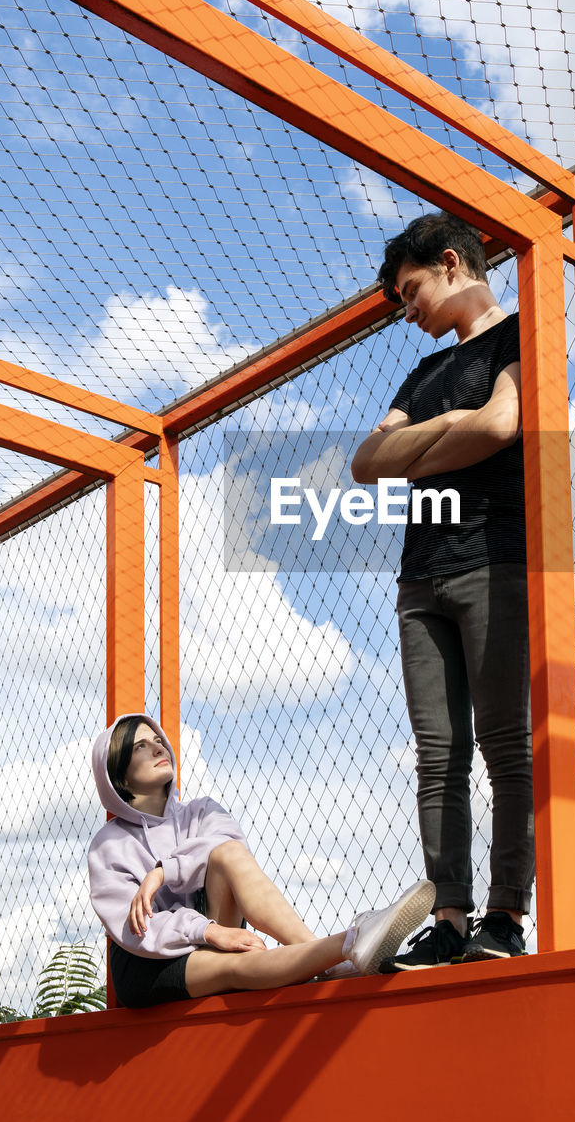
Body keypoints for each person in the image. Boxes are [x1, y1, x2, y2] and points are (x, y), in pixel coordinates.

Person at [351, 211, 533, 970]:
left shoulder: (523, 333)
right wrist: (457, 418)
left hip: (495, 558)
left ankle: (504, 917)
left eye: (409, 289)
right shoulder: (423, 374)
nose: (406, 309)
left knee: (502, 744)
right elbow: (365, 461)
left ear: (451, 264)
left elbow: (501, 427)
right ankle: (450, 918)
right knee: (437, 753)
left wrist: (423, 443)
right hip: (419, 575)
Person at [88, 713, 434, 1006]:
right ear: (118, 775)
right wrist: (206, 931)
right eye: (140, 746)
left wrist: (162, 873)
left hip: (214, 928)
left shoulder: (202, 811)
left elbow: (229, 851)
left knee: (225, 852)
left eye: (157, 739)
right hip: (148, 960)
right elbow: (136, 929)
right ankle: (351, 943)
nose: (157, 747)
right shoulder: (109, 845)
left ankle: (343, 946)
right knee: (237, 967)